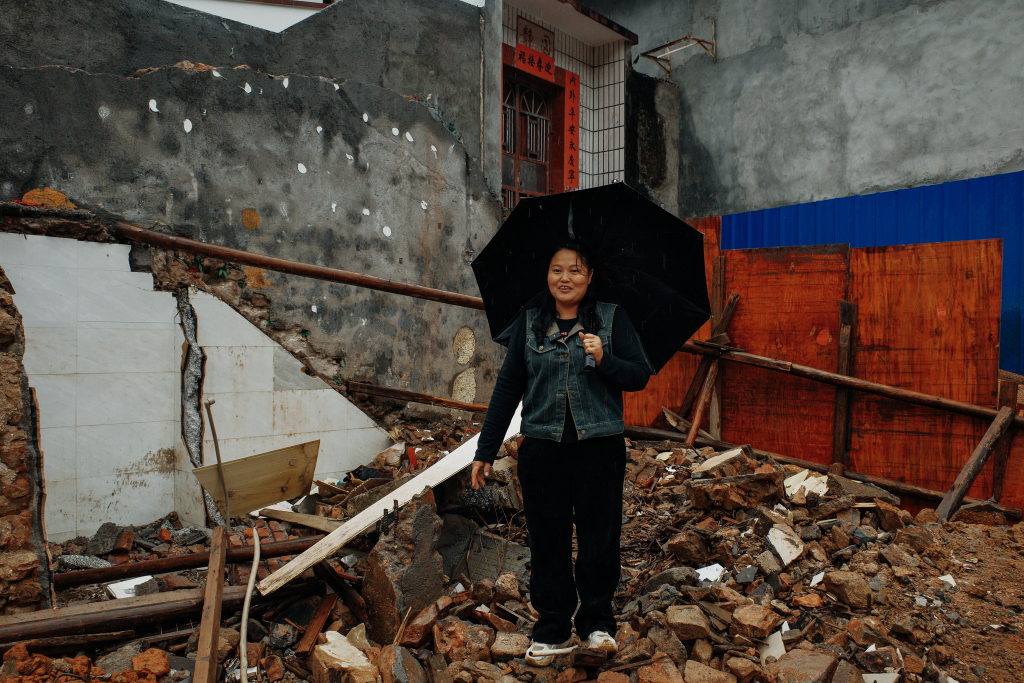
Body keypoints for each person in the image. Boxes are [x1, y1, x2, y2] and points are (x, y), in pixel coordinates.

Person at [470, 243, 653, 666]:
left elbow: (639, 375)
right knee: (547, 541)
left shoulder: (610, 318)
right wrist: (486, 448)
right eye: (557, 270)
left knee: (598, 539)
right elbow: (507, 388)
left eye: (575, 270)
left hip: (600, 449)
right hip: (542, 451)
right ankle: (552, 629)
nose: (565, 278)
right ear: (547, 276)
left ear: (590, 278)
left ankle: (597, 624)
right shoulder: (530, 323)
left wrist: (605, 358)